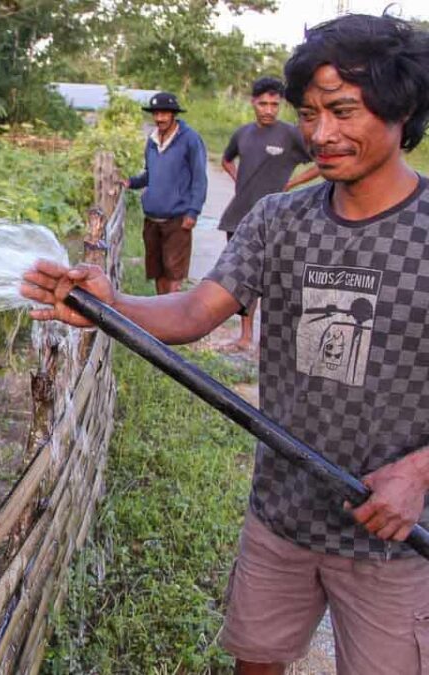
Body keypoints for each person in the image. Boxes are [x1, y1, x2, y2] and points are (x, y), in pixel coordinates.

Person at [22, 14, 429, 675]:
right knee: (256, 660)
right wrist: (109, 304)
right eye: (309, 112)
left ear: (401, 107)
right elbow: (194, 309)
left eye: (344, 110)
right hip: (281, 514)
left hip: (392, 537)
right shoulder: (280, 219)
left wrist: (419, 471)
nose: (321, 133)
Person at [217, 76, 321, 352]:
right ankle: (245, 335)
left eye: (274, 104)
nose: (268, 110)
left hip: (278, 219)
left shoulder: (291, 135)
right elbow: (226, 159)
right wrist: (239, 180)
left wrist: (293, 184)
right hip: (239, 215)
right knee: (243, 278)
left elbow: (321, 160)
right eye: (263, 103)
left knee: (277, 280)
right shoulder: (242, 133)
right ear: (253, 103)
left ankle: (276, 341)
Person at [122, 92, 208, 295]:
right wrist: (131, 182)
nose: (159, 118)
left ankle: (172, 319)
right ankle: (161, 313)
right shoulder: (152, 141)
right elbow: (150, 174)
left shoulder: (190, 139)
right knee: (157, 271)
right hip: (152, 218)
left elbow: (199, 178)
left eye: (164, 114)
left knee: (174, 274)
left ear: (173, 115)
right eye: (156, 114)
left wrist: (193, 211)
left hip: (177, 219)